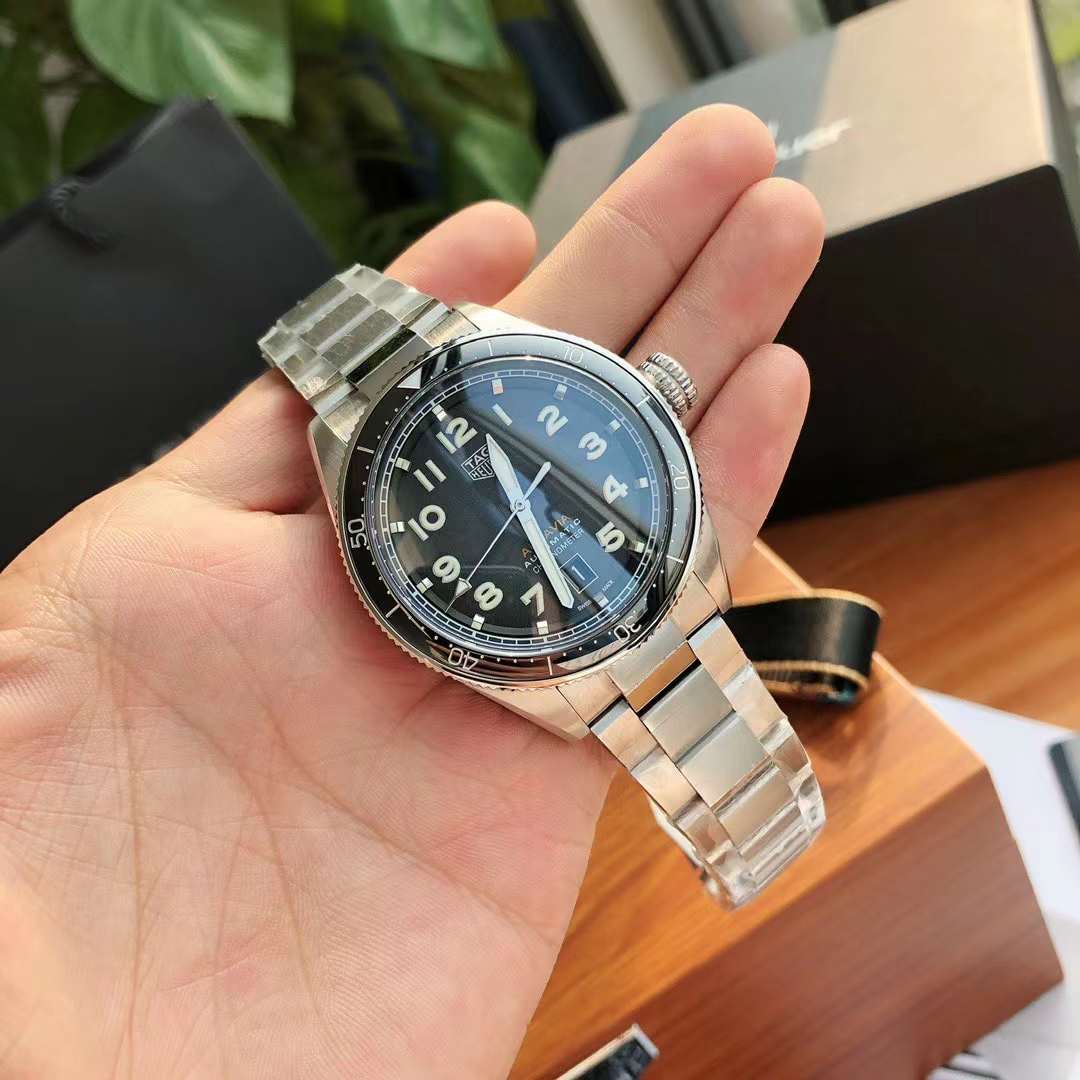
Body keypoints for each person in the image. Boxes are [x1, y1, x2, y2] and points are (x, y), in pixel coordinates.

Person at [0, 105, 824, 1078]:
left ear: (657, 398)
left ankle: (760, 826)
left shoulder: (567, 411)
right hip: (553, 628)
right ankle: (754, 830)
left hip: (625, 585)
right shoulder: (390, 505)